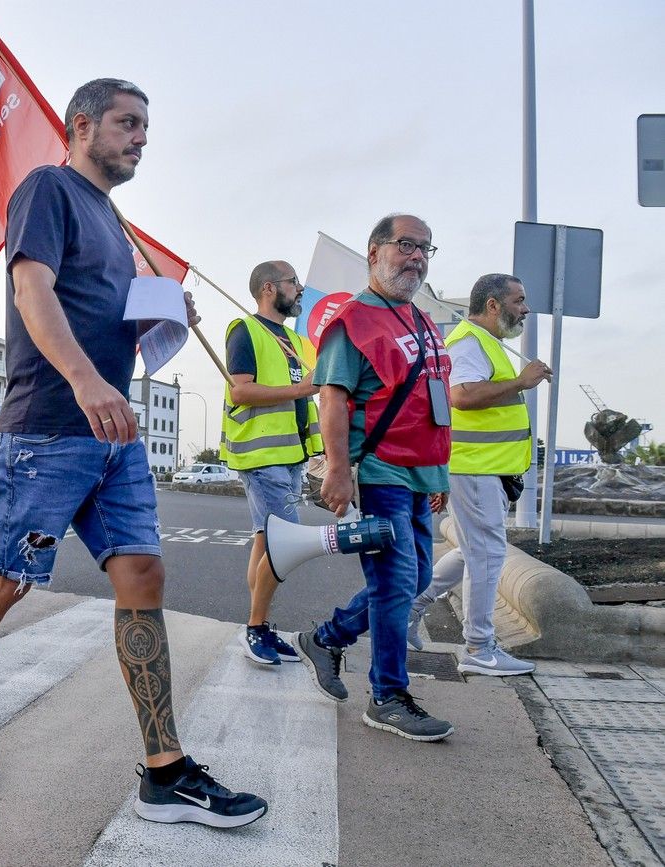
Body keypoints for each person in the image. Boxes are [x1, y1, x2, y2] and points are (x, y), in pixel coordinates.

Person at [0, 79, 267, 829]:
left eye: (146, 126)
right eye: (127, 123)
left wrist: (160, 312)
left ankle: (165, 768)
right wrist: (82, 378)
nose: (141, 137)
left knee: (143, 571)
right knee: (10, 579)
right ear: (82, 126)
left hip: (114, 433)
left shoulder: (114, 219)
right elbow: (30, 289)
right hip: (48, 425)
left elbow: (101, 315)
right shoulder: (49, 190)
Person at [294, 214, 456, 742]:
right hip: (382, 471)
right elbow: (333, 397)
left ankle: (326, 638)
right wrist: (339, 469)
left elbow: (430, 404)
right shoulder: (352, 322)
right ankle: (387, 694)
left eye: (426, 249)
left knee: (414, 578)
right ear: (373, 252)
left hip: (419, 474)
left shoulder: (422, 321)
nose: (417, 257)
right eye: (406, 245)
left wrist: (437, 476)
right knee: (393, 584)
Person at [407, 274, 549, 675]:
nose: (525, 308)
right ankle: (479, 648)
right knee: (485, 553)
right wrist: (522, 381)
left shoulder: (486, 343)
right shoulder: (470, 342)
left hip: (484, 470)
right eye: (519, 300)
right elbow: (461, 396)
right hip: (475, 469)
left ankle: (410, 611)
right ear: (492, 305)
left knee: (474, 550)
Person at [221, 261, 322, 665]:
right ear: (268, 288)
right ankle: (256, 628)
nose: (299, 288)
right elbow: (241, 391)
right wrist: (302, 386)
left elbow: (307, 390)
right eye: (293, 281)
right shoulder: (245, 330)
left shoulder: (294, 341)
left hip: (289, 454)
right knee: (284, 542)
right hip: (263, 455)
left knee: (266, 540)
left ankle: (260, 625)